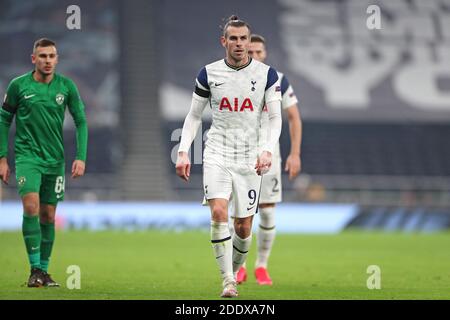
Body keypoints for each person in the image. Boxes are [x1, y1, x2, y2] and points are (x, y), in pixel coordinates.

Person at [175, 16, 282, 298]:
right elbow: (194, 115)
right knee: (219, 212)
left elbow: (275, 118)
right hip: (217, 152)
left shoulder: (266, 75)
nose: (238, 43)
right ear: (224, 41)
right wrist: (184, 150)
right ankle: (228, 281)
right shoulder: (208, 74)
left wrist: (267, 149)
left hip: (249, 159)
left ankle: (234, 271)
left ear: (249, 41)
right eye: (232, 38)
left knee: (244, 226)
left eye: (243, 38)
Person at [0, 38, 88, 287]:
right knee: (31, 208)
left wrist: (80, 157)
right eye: (42, 56)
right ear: (33, 59)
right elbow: (4, 120)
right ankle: (34, 269)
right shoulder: (19, 86)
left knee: (48, 215)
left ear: (57, 59)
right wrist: (2, 157)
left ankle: (44, 272)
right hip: (28, 157)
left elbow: (81, 121)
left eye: (51, 56)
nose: (47, 61)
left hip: (55, 161)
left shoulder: (66, 87)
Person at [233, 34, 302, 285]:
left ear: (265, 53)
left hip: (269, 156)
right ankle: (238, 266)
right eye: (250, 51)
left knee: (268, 213)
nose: (255, 56)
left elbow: (294, 117)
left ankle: (261, 266)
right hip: (238, 155)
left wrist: (294, 154)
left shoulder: (279, 80)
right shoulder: (231, 79)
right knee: (240, 215)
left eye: (259, 51)